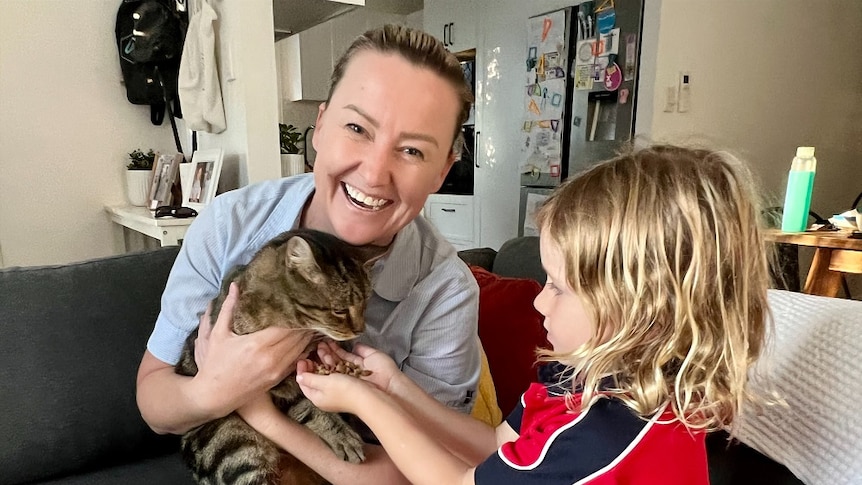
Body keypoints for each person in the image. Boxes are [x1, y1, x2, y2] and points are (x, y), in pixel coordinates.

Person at [294, 145, 773, 484]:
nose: (539, 301)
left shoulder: (604, 432)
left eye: (560, 288)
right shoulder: (577, 373)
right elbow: (495, 447)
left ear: (644, 309)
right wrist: (394, 388)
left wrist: (364, 403)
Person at [136, 24, 480, 484]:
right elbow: (156, 402)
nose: (375, 174)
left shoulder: (447, 291)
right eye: (357, 128)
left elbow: (429, 472)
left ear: (443, 172)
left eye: (413, 150)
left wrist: (261, 412)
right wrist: (213, 392)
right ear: (318, 127)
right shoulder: (229, 223)